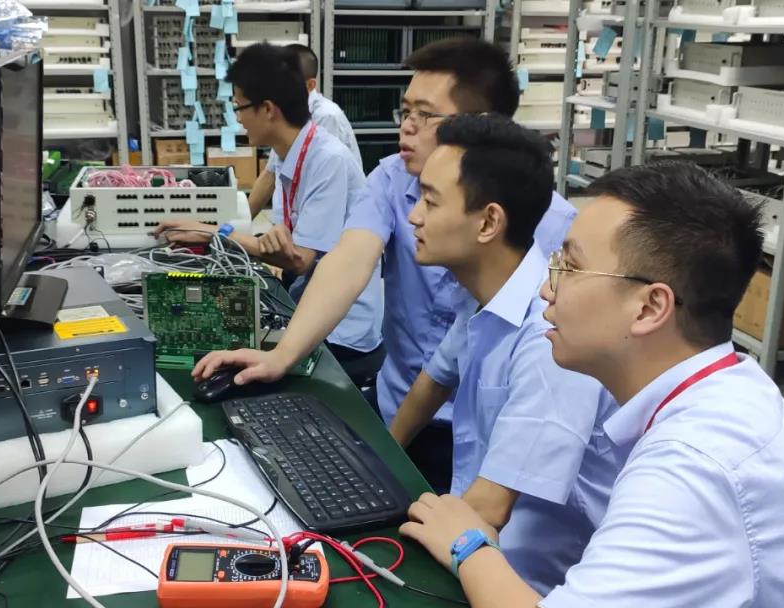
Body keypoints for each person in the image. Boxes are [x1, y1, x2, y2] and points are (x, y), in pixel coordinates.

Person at [397, 162, 784, 607]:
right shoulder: (723, 388)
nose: (547, 288)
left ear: (650, 307)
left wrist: (468, 544)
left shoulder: (694, 464)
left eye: (570, 267)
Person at [193, 38, 578, 492]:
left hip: (492, 439)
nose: (407, 128)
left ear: (481, 127)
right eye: (405, 111)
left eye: (424, 115)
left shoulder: (552, 226)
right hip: (402, 404)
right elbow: (347, 263)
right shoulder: (392, 178)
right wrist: (283, 355)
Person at [388, 113, 619, 593]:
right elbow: (433, 380)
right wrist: (380, 459)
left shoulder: (548, 338)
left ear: (489, 221)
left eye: (431, 201)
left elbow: (490, 509)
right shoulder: (483, 296)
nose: (414, 216)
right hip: (476, 541)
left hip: (525, 582)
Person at [153, 43, 383, 376]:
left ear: (268, 109)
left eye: (239, 107)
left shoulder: (328, 159)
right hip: (305, 303)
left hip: (340, 329)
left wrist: (213, 232)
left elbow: (299, 259)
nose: (238, 118)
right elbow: (283, 242)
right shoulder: (289, 149)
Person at [247, 43, 361, 219]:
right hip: (289, 226)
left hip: (320, 225)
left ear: (310, 85)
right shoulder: (285, 115)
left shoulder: (326, 116)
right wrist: (238, 224)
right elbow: (270, 174)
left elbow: (324, 189)